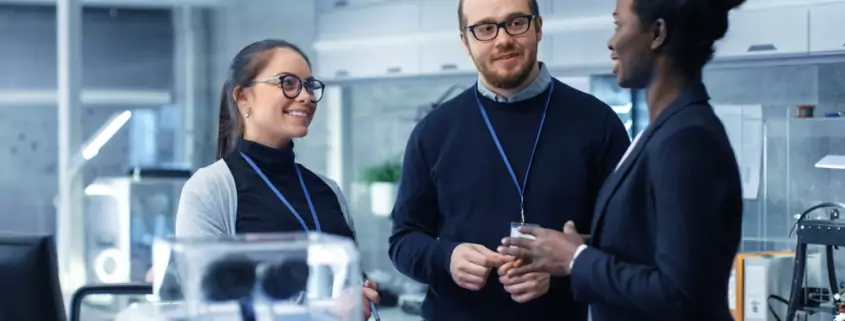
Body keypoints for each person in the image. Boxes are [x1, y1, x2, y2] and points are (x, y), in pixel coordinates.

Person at [497, 0, 745, 320]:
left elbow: (681, 295)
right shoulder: (661, 130)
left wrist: (577, 258)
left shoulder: (687, 140)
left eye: (618, 25)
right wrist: (572, 249)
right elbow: (647, 251)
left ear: (657, 33)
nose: (612, 43)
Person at [387, 0, 631, 320]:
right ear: (466, 41)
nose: (503, 39)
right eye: (485, 28)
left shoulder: (598, 123)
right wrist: (446, 257)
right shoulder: (432, 132)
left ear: (538, 28)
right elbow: (403, 241)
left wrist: (565, 272)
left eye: (516, 22)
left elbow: (629, 245)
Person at [174, 39, 379, 319]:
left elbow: (352, 280)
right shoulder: (210, 189)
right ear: (244, 96)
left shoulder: (328, 190)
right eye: (288, 83)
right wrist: (323, 310)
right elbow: (207, 305)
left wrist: (362, 294)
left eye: (309, 85)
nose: (305, 96)